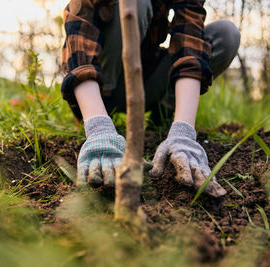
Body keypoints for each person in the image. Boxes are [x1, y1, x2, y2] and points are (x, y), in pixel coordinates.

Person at [61, 0, 240, 197]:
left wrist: (184, 131)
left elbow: (190, 43)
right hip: (99, 87)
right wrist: (98, 127)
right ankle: (102, 115)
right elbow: (78, 42)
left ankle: (165, 114)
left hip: (146, 81)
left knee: (226, 34)